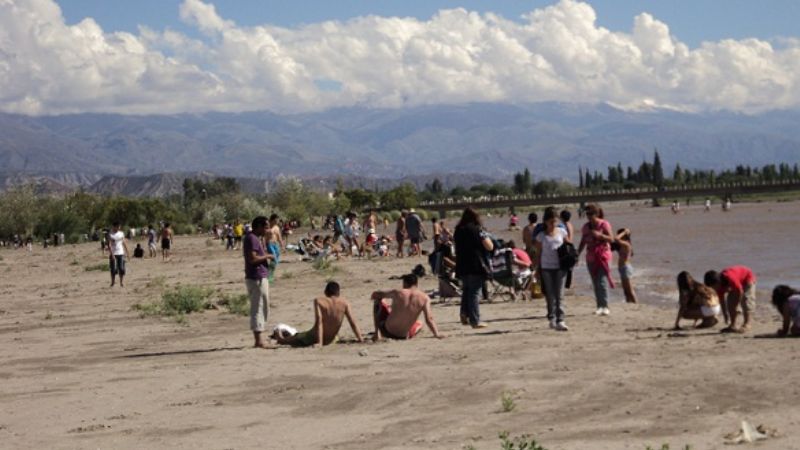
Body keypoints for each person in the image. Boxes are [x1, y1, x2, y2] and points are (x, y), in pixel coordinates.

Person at [273, 281, 364, 347]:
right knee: (336, 337)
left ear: (325, 292)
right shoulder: (345, 303)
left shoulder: (319, 301)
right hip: (331, 339)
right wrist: (360, 339)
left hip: (313, 337)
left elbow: (319, 321)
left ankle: (281, 339)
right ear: (338, 292)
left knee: (297, 337)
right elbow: (353, 322)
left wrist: (319, 343)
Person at [370, 274, 444, 341]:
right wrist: (436, 334)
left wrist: (375, 294)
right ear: (416, 284)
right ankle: (408, 332)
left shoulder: (398, 292)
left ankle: (377, 334)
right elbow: (429, 319)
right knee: (420, 323)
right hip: (403, 336)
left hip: (387, 331)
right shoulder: (425, 298)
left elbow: (376, 295)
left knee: (379, 300)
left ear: (405, 283)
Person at [454, 207, 493, 328]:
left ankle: (464, 313)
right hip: (476, 264)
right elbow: (489, 246)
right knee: (475, 292)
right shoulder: (478, 230)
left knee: (466, 290)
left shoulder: (458, 230)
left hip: (462, 264)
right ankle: (475, 320)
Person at [534, 207, 570, 331]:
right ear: (545, 221)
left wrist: (571, 261)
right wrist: (537, 269)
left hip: (560, 267)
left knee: (559, 294)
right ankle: (551, 317)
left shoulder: (562, 232)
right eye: (550, 222)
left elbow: (569, 248)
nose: (553, 224)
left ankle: (561, 320)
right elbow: (538, 254)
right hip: (546, 268)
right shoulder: (541, 236)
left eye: (555, 221)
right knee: (550, 294)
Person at [577, 204, 615, 316]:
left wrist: (600, 236)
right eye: (587, 214)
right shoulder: (585, 227)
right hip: (591, 256)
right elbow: (582, 242)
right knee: (595, 282)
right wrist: (577, 254)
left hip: (603, 255)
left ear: (596, 214)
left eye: (590, 214)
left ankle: (605, 306)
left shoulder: (604, 224)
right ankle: (599, 306)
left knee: (602, 281)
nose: (588, 216)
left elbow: (612, 239)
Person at [244, 216, 274, 348]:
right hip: (256, 277)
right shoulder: (252, 238)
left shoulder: (255, 238)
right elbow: (252, 259)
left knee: (262, 306)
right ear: (259, 226)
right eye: (265, 226)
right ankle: (258, 340)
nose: (267, 229)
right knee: (259, 307)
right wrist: (267, 256)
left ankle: (260, 338)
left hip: (259, 276)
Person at [704, 266, 756, 333]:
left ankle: (747, 323)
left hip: (747, 278)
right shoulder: (718, 288)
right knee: (730, 303)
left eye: (714, 287)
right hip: (735, 284)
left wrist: (737, 305)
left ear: (718, 282)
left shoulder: (730, 278)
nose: (714, 289)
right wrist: (725, 314)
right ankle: (733, 325)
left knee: (746, 300)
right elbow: (722, 301)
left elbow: (740, 291)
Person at [612, 228, 638, 303]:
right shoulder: (622, 245)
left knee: (630, 290)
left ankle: (636, 304)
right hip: (622, 268)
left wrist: (624, 232)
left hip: (626, 268)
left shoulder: (626, 244)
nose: (618, 235)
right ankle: (629, 304)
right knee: (626, 290)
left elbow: (616, 238)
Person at [107, 221, 129, 287]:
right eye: (118, 226)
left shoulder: (121, 233)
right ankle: (113, 282)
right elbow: (109, 245)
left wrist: (127, 252)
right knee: (113, 269)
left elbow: (124, 242)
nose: (119, 227)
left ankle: (121, 282)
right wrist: (112, 254)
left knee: (121, 269)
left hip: (121, 253)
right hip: (113, 253)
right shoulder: (110, 234)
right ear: (114, 226)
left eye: (119, 226)